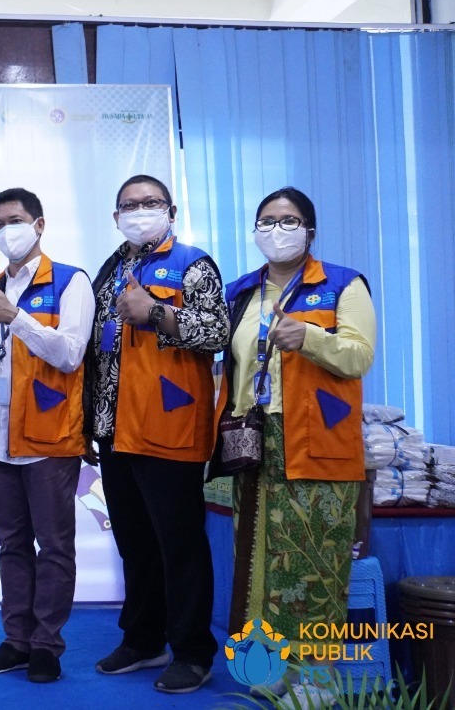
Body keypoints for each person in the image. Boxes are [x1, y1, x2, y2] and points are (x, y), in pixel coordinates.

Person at [216, 187, 375, 694]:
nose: (276, 229)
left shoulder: (343, 285)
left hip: (315, 438)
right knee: (259, 558)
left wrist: (308, 337)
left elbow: (359, 357)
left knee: (315, 564)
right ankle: (270, 672)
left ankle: (316, 679)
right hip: (253, 439)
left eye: (289, 220)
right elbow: (231, 366)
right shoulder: (241, 290)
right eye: (267, 220)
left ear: (310, 230)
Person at [83, 175, 227, 693]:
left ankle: (192, 651)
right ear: (115, 215)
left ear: (171, 209)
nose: (139, 210)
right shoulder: (108, 270)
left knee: (180, 545)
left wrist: (158, 313)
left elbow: (217, 331)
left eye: (150, 203)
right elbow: (97, 352)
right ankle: (143, 639)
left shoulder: (194, 263)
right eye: (129, 204)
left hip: (170, 425)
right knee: (134, 543)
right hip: (115, 429)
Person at [0, 188, 95, 683]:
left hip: (49, 438)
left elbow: (70, 354)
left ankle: (47, 644)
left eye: (15, 220)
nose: (7, 230)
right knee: (12, 545)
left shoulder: (70, 281)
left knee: (55, 546)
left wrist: (17, 318)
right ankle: (15, 640)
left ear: (39, 224)